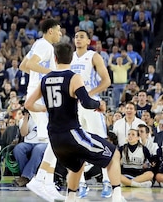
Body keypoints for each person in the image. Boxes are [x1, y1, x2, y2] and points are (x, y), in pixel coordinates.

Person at [25, 42, 125, 202]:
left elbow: (28, 104)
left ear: (55, 59)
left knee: (77, 165)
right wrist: (99, 104)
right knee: (114, 153)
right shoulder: (73, 76)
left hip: (55, 138)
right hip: (71, 133)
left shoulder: (45, 79)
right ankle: (117, 197)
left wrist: (45, 109)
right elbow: (86, 102)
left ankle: (70, 198)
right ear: (71, 58)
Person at [19, 18, 64, 201]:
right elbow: (29, 65)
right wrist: (51, 74)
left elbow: (23, 65)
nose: (61, 34)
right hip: (40, 94)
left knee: (54, 140)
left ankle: (47, 182)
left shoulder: (38, 44)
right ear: (51, 31)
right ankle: (41, 180)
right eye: (59, 30)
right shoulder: (45, 45)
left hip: (38, 92)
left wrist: (40, 75)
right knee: (56, 139)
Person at [69, 29, 113, 198]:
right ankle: (81, 184)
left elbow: (107, 80)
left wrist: (87, 95)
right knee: (77, 144)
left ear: (88, 41)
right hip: (74, 105)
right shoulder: (70, 57)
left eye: (82, 37)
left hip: (92, 103)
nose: (78, 39)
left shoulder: (93, 56)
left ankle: (107, 181)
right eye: (76, 36)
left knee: (100, 141)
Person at [12, 108, 48, 187]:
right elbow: (23, 133)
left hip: (44, 142)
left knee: (37, 149)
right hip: (28, 143)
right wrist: (26, 118)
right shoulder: (25, 119)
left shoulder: (46, 116)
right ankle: (28, 177)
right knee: (18, 149)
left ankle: (25, 177)